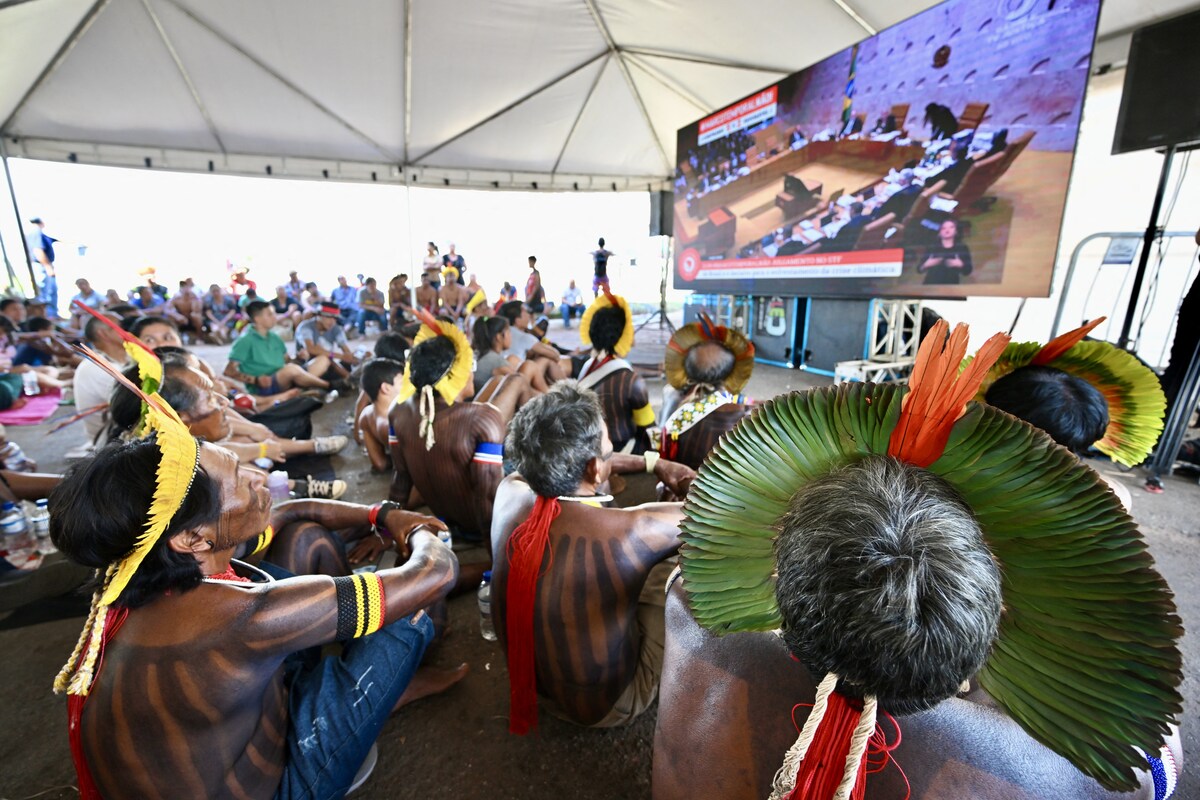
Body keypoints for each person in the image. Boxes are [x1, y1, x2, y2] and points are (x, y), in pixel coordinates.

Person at [652, 321, 1183, 800]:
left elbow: (686, 577)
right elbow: (1156, 771)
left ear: (779, 581)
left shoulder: (685, 611)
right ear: (991, 627)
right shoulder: (1054, 773)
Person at [49, 379, 463, 799]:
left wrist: (383, 513)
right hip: (279, 786)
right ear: (193, 538)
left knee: (302, 537)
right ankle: (380, 692)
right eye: (239, 478)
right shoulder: (235, 616)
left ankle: (365, 689)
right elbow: (435, 574)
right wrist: (420, 532)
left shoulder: (156, 564)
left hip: (248, 723)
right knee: (412, 607)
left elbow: (291, 510)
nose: (258, 478)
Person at [491, 382, 697, 733]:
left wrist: (653, 463)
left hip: (533, 688)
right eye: (608, 451)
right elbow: (717, 513)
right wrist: (681, 482)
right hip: (610, 707)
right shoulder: (632, 531)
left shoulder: (509, 490)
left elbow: (587, 461)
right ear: (594, 469)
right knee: (684, 562)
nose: (610, 456)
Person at [387, 311, 532, 546]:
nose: (472, 371)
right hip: (482, 528)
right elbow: (488, 501)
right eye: (469, 364)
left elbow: (400, 479)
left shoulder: (398, 410)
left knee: (506, 384)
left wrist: (385, 528)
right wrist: (495, 562)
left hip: (446, 522)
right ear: (457, 374)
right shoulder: (482, 419)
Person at [658, 317, 754, 471]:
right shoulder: (742, 411)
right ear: (730, 372)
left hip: (678, 481)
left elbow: (661, 435)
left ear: (686, 367)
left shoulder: (671, 395)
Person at [577, 290, 655, 454]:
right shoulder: (632, 381)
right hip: (623, 452)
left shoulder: (587, 367)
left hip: (588, 450)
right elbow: (648, 429)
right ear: (622, 335)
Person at [224, 301, 332, 395]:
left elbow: (288, 360)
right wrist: (256, 380)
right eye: (270, 314)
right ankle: (329, 386)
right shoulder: (245, 340)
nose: (275, 317)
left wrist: (299, 357)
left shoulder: (274, 337)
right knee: (291, 370)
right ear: (257, 319)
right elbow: (228, 371)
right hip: (267, 385)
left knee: (322, 359)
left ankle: (301, 389)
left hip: (287, 377)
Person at [72, 311, 131, 447]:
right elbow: (138, 406)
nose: (128, 330)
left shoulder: (122, 359)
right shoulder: (96, 367)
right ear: (103, 334)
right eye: (121, 327)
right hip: (113, 444)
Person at [294, 302, 359, 385]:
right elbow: (311, 349)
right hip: (308, 366)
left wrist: (354, 357)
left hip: (330, 365)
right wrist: (340, 356)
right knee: (325, 359)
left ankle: (345, 380)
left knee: (357, 360)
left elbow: (346, 351)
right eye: (328, 317)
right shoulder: (305, 327)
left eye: (335, 318)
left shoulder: (336, 329)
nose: (332, 321)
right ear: (318, 315)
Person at [919, 219, 974, 285]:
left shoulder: (962, 248)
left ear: (956, 231)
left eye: (951, 227)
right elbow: (919, 269)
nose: (947, 230)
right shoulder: (932, 248)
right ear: (939, 232)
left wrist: (961, 265)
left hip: (951, 288)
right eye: (944, 228)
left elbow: (968, 271)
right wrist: (925, 265)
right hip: (930, 287)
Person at [24, 217, 57, 317]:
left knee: (49, 292)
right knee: (45, 294)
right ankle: (48, 316)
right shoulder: (35, 232)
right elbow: (38, 250)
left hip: (42, 266)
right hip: (41, 266)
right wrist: (47, 266)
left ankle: (51, 315)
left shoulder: (41, 234)